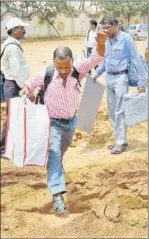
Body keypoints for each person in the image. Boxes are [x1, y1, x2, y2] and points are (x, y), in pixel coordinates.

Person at [20, 44, 105, 214]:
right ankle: (57, 195)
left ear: (72, 62)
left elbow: (96, 58)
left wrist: (101, 44)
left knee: (60, 151)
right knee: (54, 152)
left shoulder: (77, 70)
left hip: (71, 122)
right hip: (51, 122)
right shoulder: (48, 74)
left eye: (66, 67)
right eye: (59, 67)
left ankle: (56, 168)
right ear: (54, 62)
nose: (63, 71)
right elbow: (30, 82)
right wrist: (25, 90)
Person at [93, 16, 146, 155]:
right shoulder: (107, 40)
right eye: (104, 28)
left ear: (116, 25)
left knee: (120, 110)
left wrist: (141, 83)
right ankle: (118, 139)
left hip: (121, 78)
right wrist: (97, 73)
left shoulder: (126, 39)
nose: (106, 31)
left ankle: (120, 142)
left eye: (108, 28)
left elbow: (136, 59)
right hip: (109, 77)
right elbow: (106, 60)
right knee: (112, 110)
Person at [0, 17, 30, 157]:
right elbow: (16, 71)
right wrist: (25, 88)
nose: (24, 30)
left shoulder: (11, 44)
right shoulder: (12, 48)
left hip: (12, 85)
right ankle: (3, 148)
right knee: (12, 116)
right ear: (15, 30)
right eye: (22, 28)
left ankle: (10, 145)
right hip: (13, 86)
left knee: (14, 115)